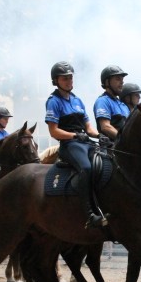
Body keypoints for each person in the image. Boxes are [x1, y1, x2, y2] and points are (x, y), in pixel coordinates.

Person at [45, 61, 106, 229]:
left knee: (106, 163)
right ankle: (89, 214)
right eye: (65, 78)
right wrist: (74, 135)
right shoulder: (53, 101)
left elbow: (88, 128)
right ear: (56, 80)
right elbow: (54, 131)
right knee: (86, 168)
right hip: (69, 145)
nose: (69, 81)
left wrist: (100, 136)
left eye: (70, 77)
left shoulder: (77, 100)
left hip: (84, 141)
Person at [94, 65, 130, 140]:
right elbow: (105, 127)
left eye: (122, 79)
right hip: (110, 148)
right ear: (107, 82)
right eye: (118, 79)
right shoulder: (103, 101)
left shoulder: (123, 105)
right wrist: (124, 141)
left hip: (126, 149)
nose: (122, 82)